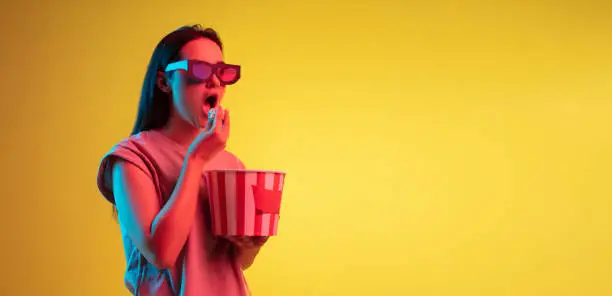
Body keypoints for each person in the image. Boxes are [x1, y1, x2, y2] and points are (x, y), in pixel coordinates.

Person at [96, 24, 268, 295]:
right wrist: (197, 159)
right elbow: (161, 253)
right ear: (165, 82)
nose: (215, 82)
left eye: (222, 72)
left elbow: (236, 263)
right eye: (199, 70)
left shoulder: (231, 164)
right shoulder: (131, 159)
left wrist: (251, 244)